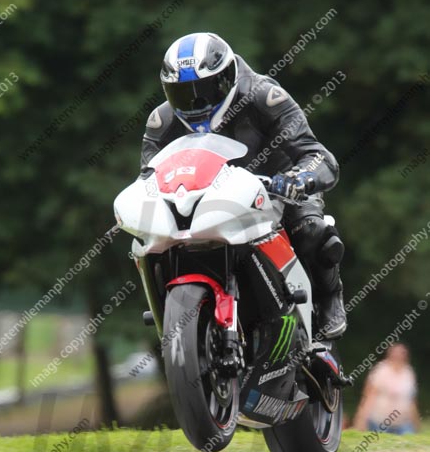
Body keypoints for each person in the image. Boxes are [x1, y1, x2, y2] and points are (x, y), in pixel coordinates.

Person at [140, 32, 346, 337]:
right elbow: (147, 176)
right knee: (146, 245)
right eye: (183, 93)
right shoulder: (162, 120)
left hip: (275, 191)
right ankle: (175, 322)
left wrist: (300, 179)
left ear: (229, 76)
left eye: (207, 89)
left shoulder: (265, 97)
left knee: (311, 229)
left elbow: (317, 155)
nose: (197, 102)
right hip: (204, 202)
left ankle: (330, 298)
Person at [352, 344, 421, 433]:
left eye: (401, 354)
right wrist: (361, 419)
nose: (398, 357)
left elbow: (411, 401)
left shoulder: (408, 373)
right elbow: (369, 396)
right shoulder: (380, 371)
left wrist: (416, 423)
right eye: (396, 354)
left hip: (403, 423)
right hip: (380, 422)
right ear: (389, 355)